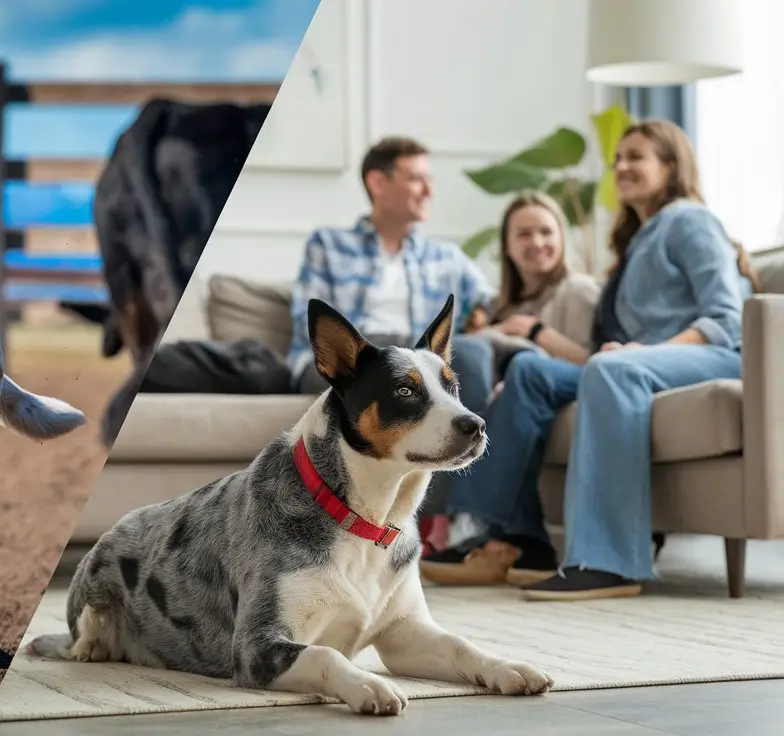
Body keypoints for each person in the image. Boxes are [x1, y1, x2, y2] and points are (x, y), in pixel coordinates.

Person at [420, 120, 757, 601]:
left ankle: (608, 562)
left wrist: (647, 352)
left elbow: (727, 318)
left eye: (636, 157)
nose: (621, 166)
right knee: (530, 372)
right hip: (640, 366)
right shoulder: (638, 242)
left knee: (608, 368)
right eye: (617, 158)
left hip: (709, 357)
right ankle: (513, 536)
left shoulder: (689, 220)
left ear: (671, 164)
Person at [432, 191, 601, 553]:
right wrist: (502, 329)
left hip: (561, 389)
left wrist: (537, 333)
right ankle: (475, 526)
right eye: (524, 234)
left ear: (561, 238)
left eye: (546, 232)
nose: (537, 242)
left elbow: (597, 364)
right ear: (507, 246)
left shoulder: (578, 290)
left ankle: (469, 522)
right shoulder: (501, 306)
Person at [286, 137, 498, 412]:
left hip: (417, 355)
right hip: (355, 357)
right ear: (378, 183)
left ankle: (474, 451)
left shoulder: (446, 257)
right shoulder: (329, 245)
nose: (429, 192)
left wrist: (479, 319)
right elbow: (310, 320)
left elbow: (492, 301)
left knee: (473, 355)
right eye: (417, 179)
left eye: (429, 180)